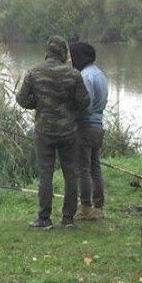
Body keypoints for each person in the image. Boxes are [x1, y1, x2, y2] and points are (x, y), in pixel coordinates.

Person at [16, 35, 90, 229]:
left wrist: (39, 104)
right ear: (64, 53)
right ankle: (68, 219)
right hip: (69, 131)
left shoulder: (34, 72)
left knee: (45, 174)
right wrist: (69, 107)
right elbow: (84, 102)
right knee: (71, 174)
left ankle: (44, 218)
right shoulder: (74, 74)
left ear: (47, 51)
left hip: (44, 131)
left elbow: (21, 99)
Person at [69, 42, 109, 221]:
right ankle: (99, 207)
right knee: (95, 168)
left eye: (72, 56)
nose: (70, 60)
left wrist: (71, 114)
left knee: (82, 169)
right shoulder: (100, 74)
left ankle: (85, 206)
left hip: (85, 127)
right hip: (98, 125)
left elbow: (85, 104)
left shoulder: (85, 76)